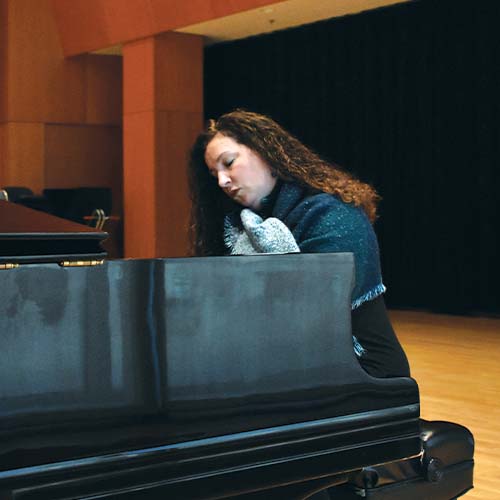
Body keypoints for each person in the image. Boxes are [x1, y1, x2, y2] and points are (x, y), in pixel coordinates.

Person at [188, 109, 410, 378]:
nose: (222, 181)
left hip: (366, 371)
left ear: (266, 152)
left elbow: (313, 318)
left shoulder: (333, 212)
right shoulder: (241, 225)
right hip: (305, 365)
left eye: (229, 162)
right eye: (214, 175)